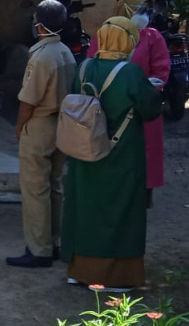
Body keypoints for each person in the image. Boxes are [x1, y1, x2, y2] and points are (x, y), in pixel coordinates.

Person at [63, 17, 164, 292]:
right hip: (121, 155)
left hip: (85, 152)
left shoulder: (84, 67)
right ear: (127, 40)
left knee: (85, 209)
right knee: (121, 211)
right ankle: (116, 277)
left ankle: (79, 270)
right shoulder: (131, 73)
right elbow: (151, 109)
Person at [8, 0, 77, 269]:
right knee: (55, 185)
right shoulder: (65, 52)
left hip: (39, 124)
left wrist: (19, 126)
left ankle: (38, 249)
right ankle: (53, 242)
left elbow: (29, 100)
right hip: (61, 123)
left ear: (39, 24)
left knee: (35, 188)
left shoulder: (41, 55)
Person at [88, 0, 170, 200]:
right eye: (139, 10)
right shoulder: (105, 34)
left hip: (141, 106)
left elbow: (161, 72)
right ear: (125, 9)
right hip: (108, 105)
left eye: (147, 11)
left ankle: (143, 193)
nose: (143, 15)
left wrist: (146, 89)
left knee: (145, 151)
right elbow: (92, 66)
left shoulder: (153, 37)